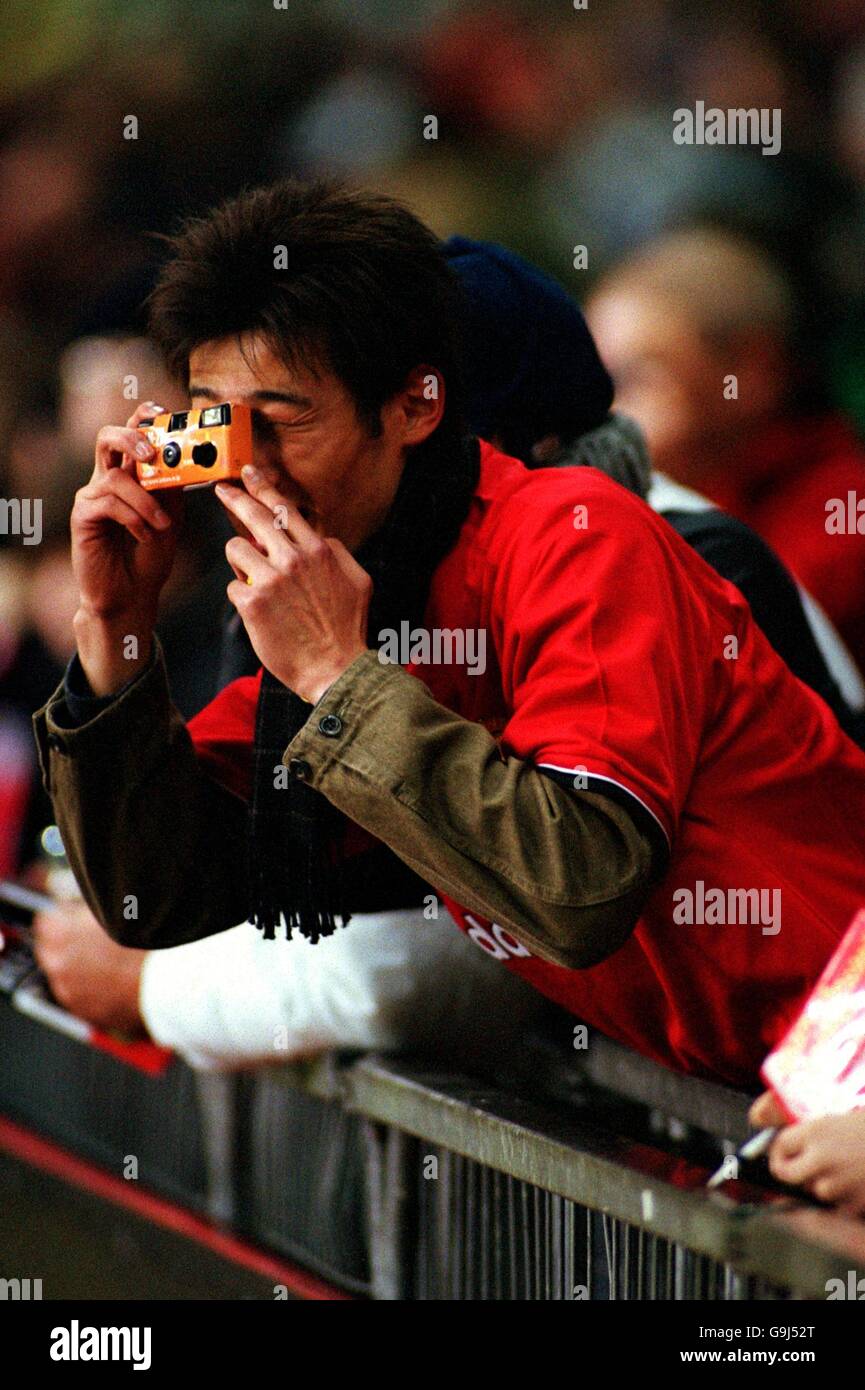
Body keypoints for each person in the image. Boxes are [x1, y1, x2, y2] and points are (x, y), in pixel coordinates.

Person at [31, 180, 865, 1090]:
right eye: (219, 428)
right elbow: (154, 895)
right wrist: (115, 636)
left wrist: (337, 677)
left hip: (841, 1044)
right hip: (776, 1087)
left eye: (286, 419)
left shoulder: (575, 533)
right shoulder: (358, 586)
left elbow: (577, 885)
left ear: (415, 406)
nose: (252, 470)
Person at [586, 226, 865, 670]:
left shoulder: (839, 513)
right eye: (595, 382)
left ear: (750, 370)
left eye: (634, 380)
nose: (602, 414)